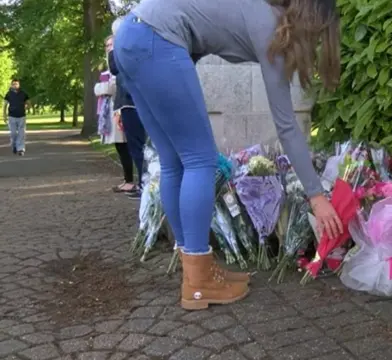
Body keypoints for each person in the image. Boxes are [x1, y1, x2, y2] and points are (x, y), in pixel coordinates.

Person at [114, 0, 342, 310]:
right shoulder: (272, 26)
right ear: (313, 24)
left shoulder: (261, 10)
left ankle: (196, 269)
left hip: (131, 35)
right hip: (156, 38)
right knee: (200, 160)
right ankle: (198, 283)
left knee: (174, 163)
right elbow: (286, 126)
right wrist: (317, 196)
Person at [108, 19, 147, 200]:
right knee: (140, 147)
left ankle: (143, 184)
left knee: (137, 147)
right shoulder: (138, 46)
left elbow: (115, 70)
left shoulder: (122, 50)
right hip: (137, 102)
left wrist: (112, 50)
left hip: (131, 104)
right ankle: (144, 183)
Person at [94, 36, 136, 194]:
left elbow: (110, 89)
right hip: (111, 110)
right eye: (107, 45)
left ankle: (131, 181)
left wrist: (100, 88)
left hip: (120, 109)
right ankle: (127, 179)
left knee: (126, 146)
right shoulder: (108, 70)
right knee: (120, 146)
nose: (109, 48)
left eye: (112, 44)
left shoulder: (120, 67)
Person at [3, 79, 29, 156]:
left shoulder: (23, 94)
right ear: (11, 85)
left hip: (22, 116)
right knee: (13, 133)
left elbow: (28, 102)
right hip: (11, 116)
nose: (15, 85)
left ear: (19, 85)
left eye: (16, 84)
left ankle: (21, 149)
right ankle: (14, 145)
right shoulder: (8, 94)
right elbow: (4, 106)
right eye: (13, 84)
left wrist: (26, 107)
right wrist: (4, 116)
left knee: (22, 133)